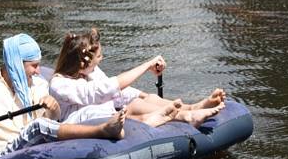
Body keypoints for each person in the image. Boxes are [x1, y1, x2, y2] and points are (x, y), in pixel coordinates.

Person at [0, 34, 126, 159]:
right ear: (16, 63)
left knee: (85, 112)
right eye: (33, 66)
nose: (38, 71)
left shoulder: (39, 84)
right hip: (4, 152)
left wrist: (53, 107)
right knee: (37, 127)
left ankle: (117, 124)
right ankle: (102, 131)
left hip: (35, 144)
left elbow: (54, 121)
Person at [49, 28, 224, 129]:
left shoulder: (90, 72)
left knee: (144, 97)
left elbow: (116, 92)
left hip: (101, 113)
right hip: (80, 124)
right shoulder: (59, 84)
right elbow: (100, 92)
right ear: (82, 64)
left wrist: (143, 95)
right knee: (131, 106)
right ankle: (185, 117)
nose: (101, 59)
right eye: (99, 57)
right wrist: (146, 66)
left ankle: (192, 108)